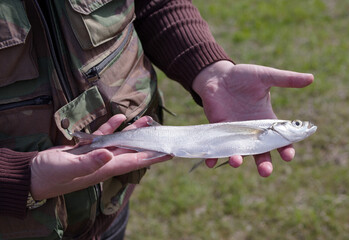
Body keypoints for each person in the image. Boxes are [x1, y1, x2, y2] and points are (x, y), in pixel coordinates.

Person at [0, 0, 313, 239]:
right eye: (297, 124)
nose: (301, 127)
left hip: (109, 207)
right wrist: (18, 179)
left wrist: (209, 71)